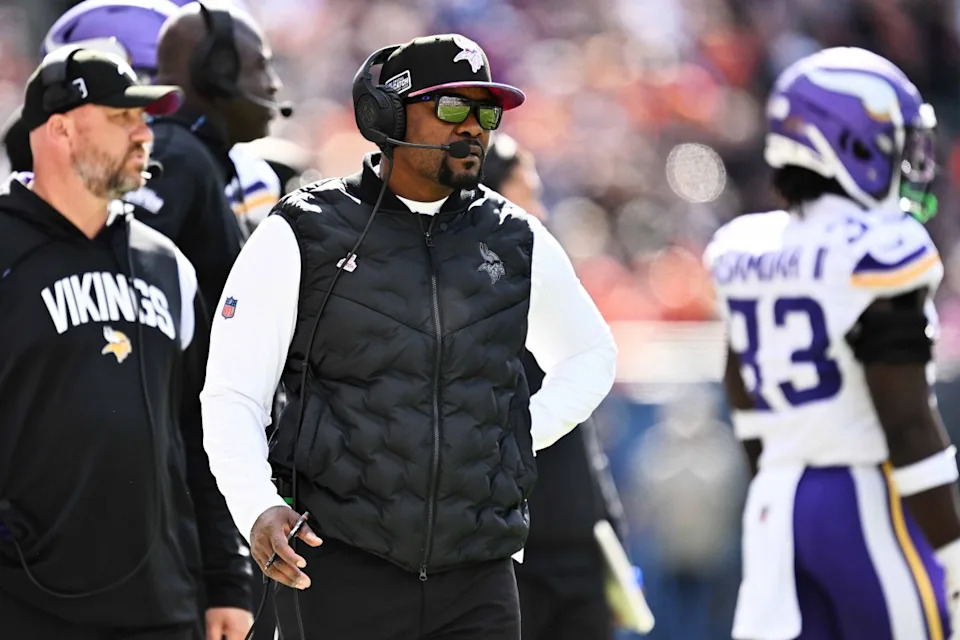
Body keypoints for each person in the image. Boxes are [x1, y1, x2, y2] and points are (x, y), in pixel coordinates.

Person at [200, 34, 618, 639]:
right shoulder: (301, 231)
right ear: (386, 114)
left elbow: (590, 354)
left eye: (486, 112)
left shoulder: (516, 237)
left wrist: (514, 430)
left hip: (479, 577)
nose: (474, 127)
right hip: (337, 569)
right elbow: (233, 394)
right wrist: (256, 504)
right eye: (452, 108)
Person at [704, 46, 960, 640]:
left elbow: (740, 388)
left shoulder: (745, 246)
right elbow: (907, 423)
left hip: (775, 504)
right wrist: (953, 553)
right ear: (853, 143)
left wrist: (777, 476)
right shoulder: (882, 246)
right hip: (862, 500)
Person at [0, 48, 251, 639]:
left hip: (161, 604)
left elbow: (200, 435)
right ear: (59, 128)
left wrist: (227, 582)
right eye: (122, 117)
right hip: (21, 604)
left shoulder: (168, 265)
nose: (145, 133)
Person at [481, 133, 626, 640]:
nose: (539, 209)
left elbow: (581, 437)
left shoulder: (546, 287)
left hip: (574, 550)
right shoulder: (467, 305)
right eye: (528, 192)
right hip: (509, 553)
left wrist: (607, 523)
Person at [143, 0, 285, 306]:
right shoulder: (175, 157)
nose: (274, 85)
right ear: (216, 73)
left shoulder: (195, 155)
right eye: (260, 67)